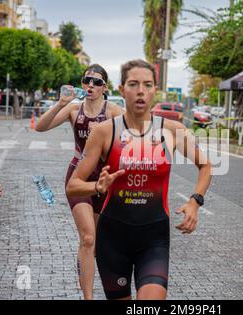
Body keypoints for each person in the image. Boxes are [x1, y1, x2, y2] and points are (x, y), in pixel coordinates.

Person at [66, 59, 212, 300]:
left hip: (153, 239)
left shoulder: (172, 130)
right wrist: (97, 186)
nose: (141, 91)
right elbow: (73, 186)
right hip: (112, 239)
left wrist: (195, 202)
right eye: (133, 84)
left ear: (155, 90)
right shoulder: (104, 131)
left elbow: (205, 165)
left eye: (147, 84)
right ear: (121, 89)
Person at [35, 64, 124, 300]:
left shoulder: (113, 111)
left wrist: (107, 133)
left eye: (96, 82)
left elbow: (129, 142)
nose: (91, 85)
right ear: (82, 84)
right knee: (87, 238)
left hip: (104, 177)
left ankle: (91, 277)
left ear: (105, 87)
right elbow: (40, 127)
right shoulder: (74, 110)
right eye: (87, 81)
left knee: (97, 242)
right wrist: (61, 104)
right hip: (79, 176)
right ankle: (88, 297)